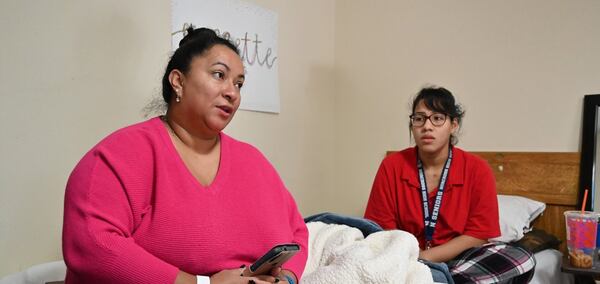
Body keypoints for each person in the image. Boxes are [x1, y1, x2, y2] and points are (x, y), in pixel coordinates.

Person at [62, 27, 308, 284]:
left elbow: (297, 231)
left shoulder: (254, 162)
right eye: (218, 75)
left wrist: (287, 279)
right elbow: (92, 243)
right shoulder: (120, 154)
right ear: (178, 81)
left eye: (238, 83)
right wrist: (203, 283)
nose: (232, 93)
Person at [364, 87, 535, 283]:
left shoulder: (477, 169)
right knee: (342, 236)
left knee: (522, 258)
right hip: (402, 258)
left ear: (453, 125)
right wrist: (409, 257)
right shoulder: (392, 165)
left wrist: (426, 258)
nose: (427, 127)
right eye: (419, 118)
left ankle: (437, 277)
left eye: (437, 118)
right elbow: (379, 229)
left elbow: (478, 235)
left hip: (457, 261)